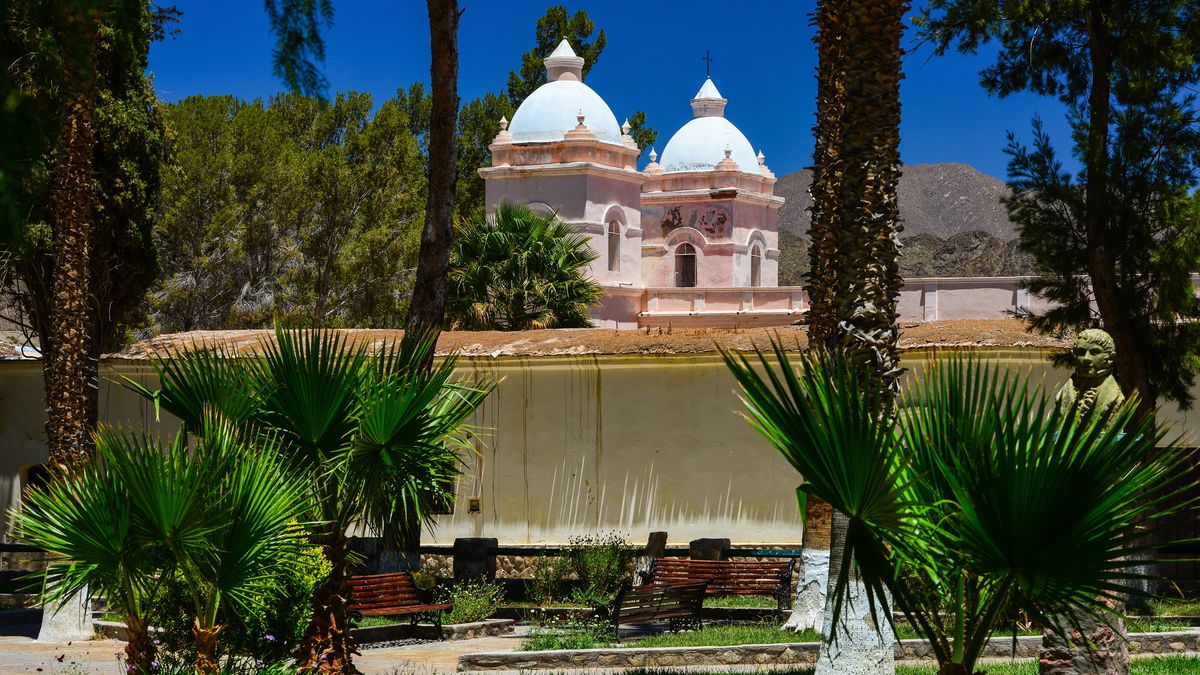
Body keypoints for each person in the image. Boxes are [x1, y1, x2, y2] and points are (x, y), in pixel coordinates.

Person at [1055, 328, 1125, 420]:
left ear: (1110, 357)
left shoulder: (1114, 397)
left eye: (1095, 352)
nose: (1086, 358)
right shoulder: (1063, 394)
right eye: (1081, 352)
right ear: (1074, 356)